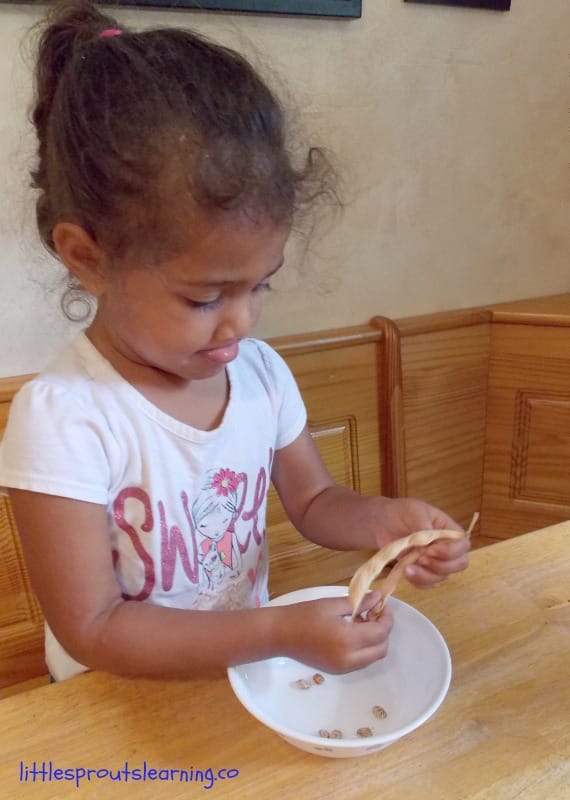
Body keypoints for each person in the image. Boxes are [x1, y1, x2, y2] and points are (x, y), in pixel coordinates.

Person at [0, 0, 469, 682]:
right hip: (112, 712)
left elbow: (312, 503)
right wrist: (277, 629)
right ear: (87, 257)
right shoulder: (65, 419)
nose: (241, 324)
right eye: (205, 297)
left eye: (260, 286)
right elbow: (93, 626)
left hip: (240, 680)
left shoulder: (259, 374)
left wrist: (383, 522)